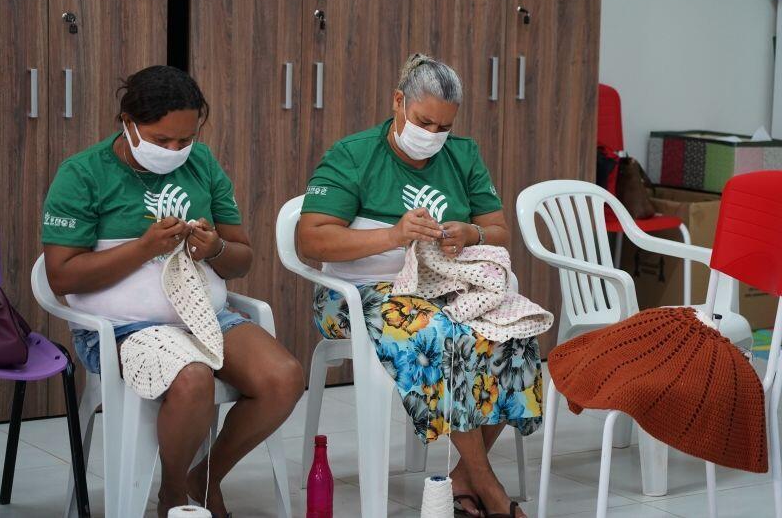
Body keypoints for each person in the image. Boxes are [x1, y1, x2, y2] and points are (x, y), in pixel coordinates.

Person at [42, 65, 304, 518]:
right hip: (121, 328)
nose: (175, 151)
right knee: (193, 378)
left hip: (205, 314)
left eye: (185, 140)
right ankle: (172, 498)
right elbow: (61, 276)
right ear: (127, 122)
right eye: (162, 140)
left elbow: (242, 258)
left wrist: (215, 248)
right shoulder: (83, 174)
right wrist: (142, 248)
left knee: (284, 378)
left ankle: (200, 480)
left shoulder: (201, 165)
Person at [299, 53, 541, 518]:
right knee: (439, 333)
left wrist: (468, 234)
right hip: (356, 294)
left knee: (515, 331)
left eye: (442, 127)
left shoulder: (463, 155)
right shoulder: (354, 154)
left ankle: (462, 480)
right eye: (423, 121)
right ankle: (488, 488)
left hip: (439, 287)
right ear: (398, 102)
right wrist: (392, 235)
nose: (431, 136)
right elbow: (310, 237)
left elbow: (499, 231)